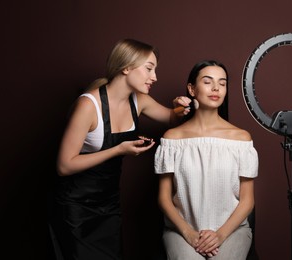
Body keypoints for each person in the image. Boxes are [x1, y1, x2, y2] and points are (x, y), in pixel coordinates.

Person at [48, 38, 191, 260]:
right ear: (126, 67)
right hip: (75, 208)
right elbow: (64, 166)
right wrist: (118, 150)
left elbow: (171, 118)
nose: (155, 77)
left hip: (109, 206)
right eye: (149, 69)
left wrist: (182, 107)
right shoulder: (88, 105)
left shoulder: (139, 100)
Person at [154, 60, 259, 260]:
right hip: (182, 231)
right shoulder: (172, 139)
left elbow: (247, 200)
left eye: (222, 82)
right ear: (192, 89)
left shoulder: (241, 138)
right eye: (208, 81)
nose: (216, 88)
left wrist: (219, 235)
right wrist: (189, 233)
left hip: (232, 231)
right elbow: (164, 198)